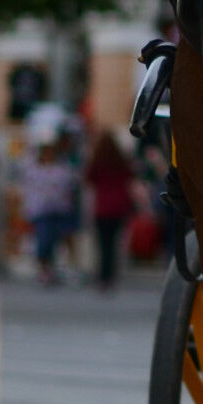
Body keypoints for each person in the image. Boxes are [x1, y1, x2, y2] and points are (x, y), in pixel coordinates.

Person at [18, 109, 78, 285]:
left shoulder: (62, 166)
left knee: (60, 239)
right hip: (41, 209)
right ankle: (45, 269)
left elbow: (68, 184)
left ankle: (59, 268)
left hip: (59, 208)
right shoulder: (33, 167)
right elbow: (28, 187)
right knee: (43, 240)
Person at [83, 127, 140, 289]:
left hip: (102, 208)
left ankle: (103, 274)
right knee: (114, 243)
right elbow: (130, 177)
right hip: (118, 207)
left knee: (103, 243)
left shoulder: (97, 161)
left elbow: (88, 179)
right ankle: (111, 274)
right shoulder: (120, 161)